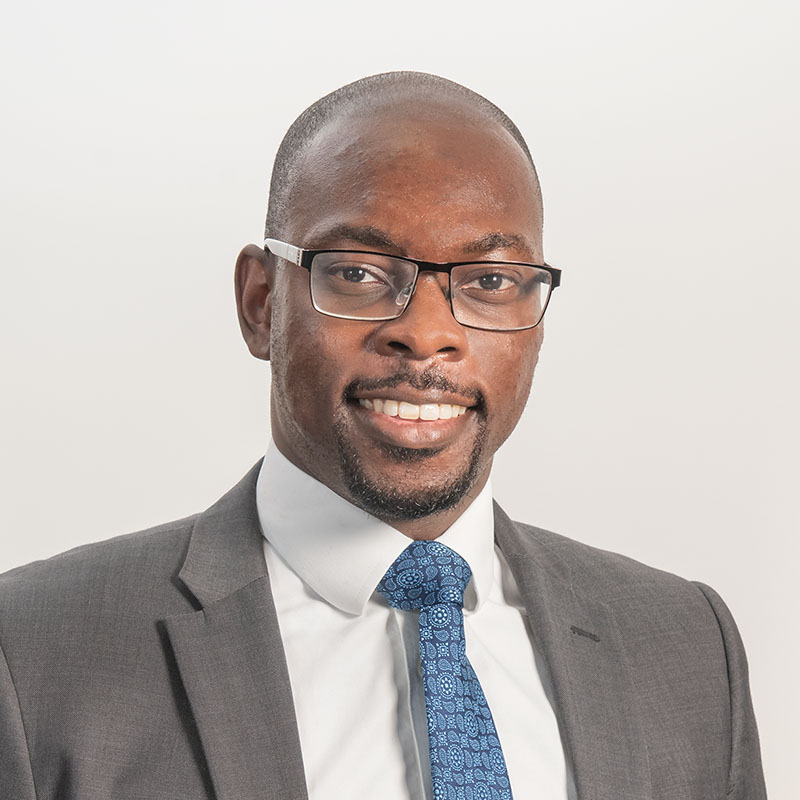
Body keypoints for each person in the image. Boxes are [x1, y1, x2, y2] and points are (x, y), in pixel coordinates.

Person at [0, 72, 766, 800]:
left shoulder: (688, 648)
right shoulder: (32, 654)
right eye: (361, 274)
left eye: (490, 281)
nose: (427, 333)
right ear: (261, 303)